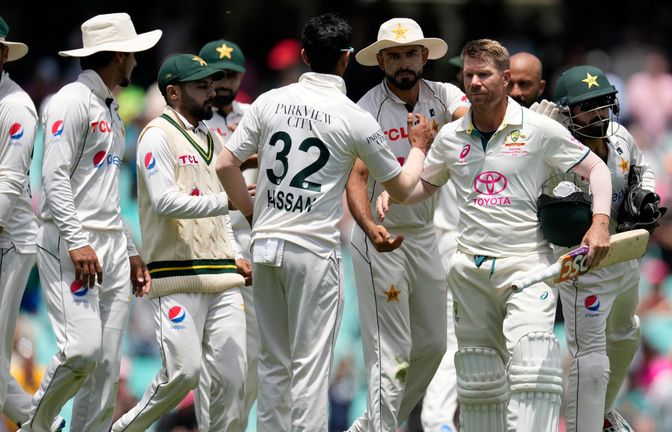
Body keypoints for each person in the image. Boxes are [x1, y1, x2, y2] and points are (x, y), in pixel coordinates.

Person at [376, 39, 613, 432]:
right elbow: (423, 189)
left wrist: (600, 222)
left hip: (527, 267)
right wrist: (394, 191)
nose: (475, 83)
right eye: (469, 75)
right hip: (470, 270)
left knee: (535, 368)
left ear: (504, 79)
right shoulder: (452, 136)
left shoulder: (539, 129)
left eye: (484, 75)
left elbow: (597, 171)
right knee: (479, 380)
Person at [215, 13, 436, 431]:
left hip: (264, 246)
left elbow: (226, 165)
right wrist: (420, 146)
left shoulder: (268, 101)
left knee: (273, 365)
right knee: (310, 369)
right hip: (313, 252)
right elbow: (405, 188)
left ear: (303, 55)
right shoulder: (353, 116)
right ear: (347, 59)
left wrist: (252, 213)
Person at [21, 13, 158, 432]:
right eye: (132, 52)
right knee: (81, 350)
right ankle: (35, 424)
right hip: (71, 242)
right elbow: (53, 177)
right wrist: (79, 241)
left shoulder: (111, 108)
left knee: (104, 367)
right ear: (118, 54)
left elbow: (107, 193)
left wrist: (131, 251)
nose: (137, 60)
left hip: (112, 245)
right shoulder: (69, 101)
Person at [111, 53, 250, 432]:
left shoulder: (209, 136)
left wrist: (236, 254)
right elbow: (164, 201)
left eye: (212, 84)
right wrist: (230, 200)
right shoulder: (156, 134)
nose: (212, 91)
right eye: (201, 86)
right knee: (184, 374)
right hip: (177, 274)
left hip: (221, 275)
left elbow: (216, 208)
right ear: (174, 92)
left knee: (234, 380)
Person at [345, 17, 469, 432]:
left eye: (410, 53)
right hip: (380, 239)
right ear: (381, 61)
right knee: (392, 352)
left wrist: (431, 149)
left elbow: (473, 122)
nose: (403, 63)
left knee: (434, 347)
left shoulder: (445, 94)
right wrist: (367, 225)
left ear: (424, 56)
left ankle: (374, 424)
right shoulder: (367, 110)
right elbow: (357, 177)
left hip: (424, 234)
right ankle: (381, 427)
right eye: (394, 55)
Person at [532, 64, 657, 431]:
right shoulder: (551, 147)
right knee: (591, 360)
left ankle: (598, 416)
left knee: (627, 333)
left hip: (623, 252)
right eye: (589, 107)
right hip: (582, 267)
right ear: (568, 111)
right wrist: (530, 131)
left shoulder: (620, 137)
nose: (599, 114)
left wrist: (645, 193)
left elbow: (644, 167)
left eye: (604, 104)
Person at [0, 16, 66, 432]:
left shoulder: (16, 106)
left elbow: (7, 185)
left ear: (3, 54)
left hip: (10, 241)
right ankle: (46, 425)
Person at [197, 37, 260, 430]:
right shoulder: (191, 122)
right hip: (209, 245)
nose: (222, 83)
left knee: (252, 355)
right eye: (215, 75)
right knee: (215, 359)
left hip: (252, 243)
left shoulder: (256, 114)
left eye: (230, 75)